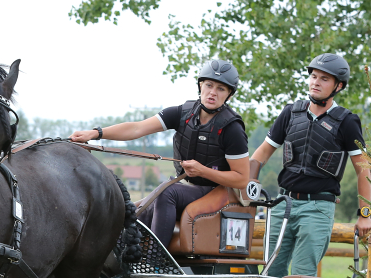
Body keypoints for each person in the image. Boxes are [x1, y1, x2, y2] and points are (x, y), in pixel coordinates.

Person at [69, 60, 250, 247]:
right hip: (184, 186)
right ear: (200, 86)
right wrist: (96, 133)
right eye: (209, 85)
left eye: (221, 89)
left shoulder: (232, 129)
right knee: (135, 210)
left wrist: (203, 171)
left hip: (215, 191)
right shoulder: (181, 113)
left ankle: (155, 262)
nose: (213, 92)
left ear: (229, 94)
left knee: (166, 192)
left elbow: (242, 179)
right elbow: (136, 129)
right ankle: (120, 262)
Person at [250, 53, 371, 278]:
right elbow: (262, 154)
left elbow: (363, 170)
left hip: (317, 207)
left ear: (339, 86)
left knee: (302, 277)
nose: (316, 82)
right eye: (314, 76)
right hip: (282, 204)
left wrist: (364, 214)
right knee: (269, 275)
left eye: (324, 79)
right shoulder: (290, 113)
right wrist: (248, 186)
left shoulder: (347, 121)